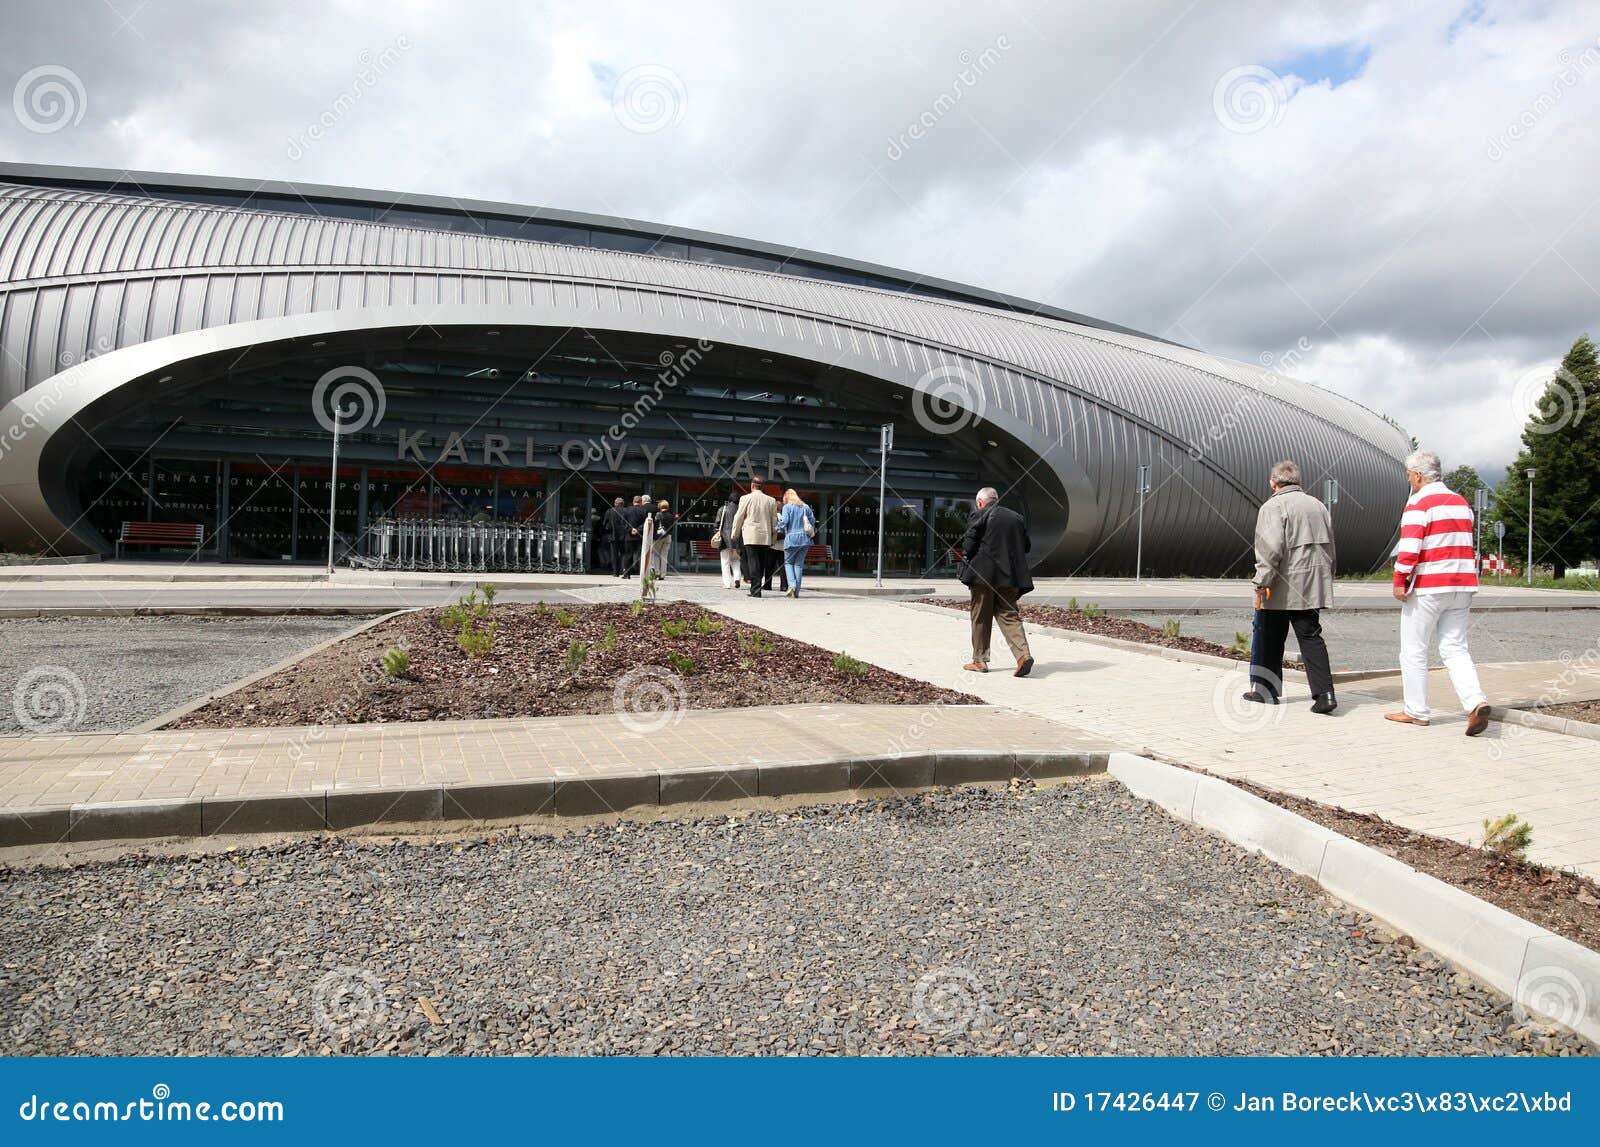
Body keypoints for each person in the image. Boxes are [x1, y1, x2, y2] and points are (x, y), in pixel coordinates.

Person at [1387, 449, 1492, 735]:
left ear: (1419, 475)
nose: (1409, 480)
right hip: (1462, 584)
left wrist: (1399, 580)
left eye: (1409, 475)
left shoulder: (1419, 503)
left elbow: (1410, 548)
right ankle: (1476, 701)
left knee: (1414, 650)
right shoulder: (1461, 503)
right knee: (1455, 648)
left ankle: (1416, 711)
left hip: (1429, 587)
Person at [1244, 460, 1337, 713]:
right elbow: (1330, 546)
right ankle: (1325, 694)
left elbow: (1270, 549)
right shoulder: (1318, 505)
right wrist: (1327, 576)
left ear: (1273, 483)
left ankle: (1265, 691)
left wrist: (1261, 581)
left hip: (1281, 584)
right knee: (1311, 637)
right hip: (1312, 584)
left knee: (1269, 637)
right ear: (1297, 481)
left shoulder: (1272, 506)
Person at [958, 486, 1034, 676]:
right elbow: (1026, 546)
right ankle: (1023, 656)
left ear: (980, 502)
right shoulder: (1016, 518)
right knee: (1009, 615)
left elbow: (968, 545)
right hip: (1009, 577)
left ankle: (980, 661)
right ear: (996, 499)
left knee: (981, 618)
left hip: (982, 576)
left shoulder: (980, 514)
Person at [731, 475, 779, 597]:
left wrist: (735, 534)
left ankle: (756, 590)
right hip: (765, 536)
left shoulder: (745, 498)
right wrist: (773, 538)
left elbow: (739, 517)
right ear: (763, 487)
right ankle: (757, 587)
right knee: (761, 563)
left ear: (752, 485)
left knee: (753, 562)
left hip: (751, 535)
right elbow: (774, 522)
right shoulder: (771, 500)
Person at [776, 488, 817, 597]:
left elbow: (784, 522)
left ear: (786, 498)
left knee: (788, 563)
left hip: (791, 538)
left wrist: (776, 528)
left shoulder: (787, 507)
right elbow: (813, 521)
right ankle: (797, 591)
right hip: (804, 539)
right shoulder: (805, 507)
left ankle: (792, 585)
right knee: (798, 565)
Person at [714, 489, 742, 589]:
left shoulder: (723, 509)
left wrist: (716, 532)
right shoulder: (741, 510)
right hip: (737, 539)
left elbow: (717, 524)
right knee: (736, 560)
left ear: (729, 499)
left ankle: (727, 583)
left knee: (725, 561)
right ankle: (737, 578)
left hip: (725, 539)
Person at [620, 495, 649, 579]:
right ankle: (641, 574)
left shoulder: (626, 510)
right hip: (639, 537)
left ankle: (627, 574)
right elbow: (646, 523)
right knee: (640, 555)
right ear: (641, 502)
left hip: (629, 536)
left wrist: (630, 530)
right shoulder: (644, 511)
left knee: (628, 555)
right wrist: (638, 530)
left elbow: (623, 522)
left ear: (633, 502)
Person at [603, 496, 632, 578]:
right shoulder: (627, 511)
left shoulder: (610, 511)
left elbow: (604, 523)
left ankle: (615, 572)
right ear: (623, 504)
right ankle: (625, 571)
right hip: (624, 535)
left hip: (613, 536)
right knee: (625, 554)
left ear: (615, 503)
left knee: (614, 554)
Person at [649, 498, 675, 578]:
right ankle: (663, 574)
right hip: (668, 536)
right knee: (664, 556)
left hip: (659, 536)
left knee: (656, 554)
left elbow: (655, 526)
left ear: (660, 506)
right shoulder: (671, 516)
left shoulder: (658, 515)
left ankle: (657, 572)